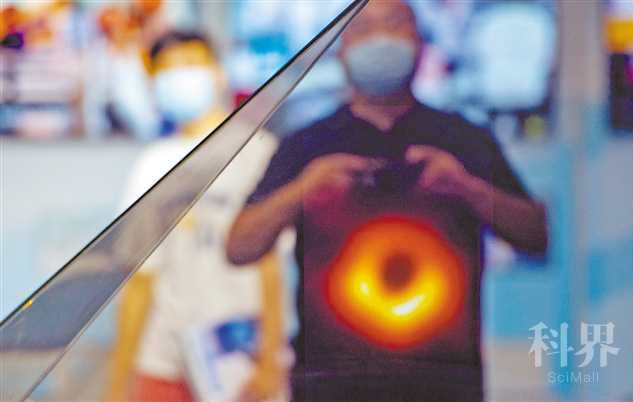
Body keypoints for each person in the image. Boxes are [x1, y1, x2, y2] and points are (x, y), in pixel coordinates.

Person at [226, 1, 548, 401]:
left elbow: (536, 236)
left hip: (443, 382)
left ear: (420, 41)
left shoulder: (465, 139)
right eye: (364, 28)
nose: (380, 39)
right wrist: (302, 191)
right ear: (342, 50)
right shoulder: (306, 145)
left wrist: (467, 188)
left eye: (394, 24)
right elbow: (239, 247)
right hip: (331, 383)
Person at [104, 31, 289, 402]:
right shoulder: (152, 165)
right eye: (167, 70)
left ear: (217, 72)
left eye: (190, 64)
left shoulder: (257, 152)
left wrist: (271, 358)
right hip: (163, 358)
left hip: (240, 357)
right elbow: (140, 278)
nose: (180, 78)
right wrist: (119, 379)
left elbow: (273, 266)